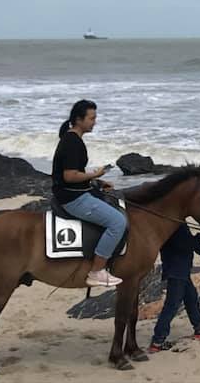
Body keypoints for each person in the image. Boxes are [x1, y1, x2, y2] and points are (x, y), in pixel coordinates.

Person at [51, 99, 126, 287]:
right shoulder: (72, 142)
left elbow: (74, 173)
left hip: (76, 192)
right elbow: (69, 176)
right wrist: (95, 173)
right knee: (118, 222)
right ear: (79, 119)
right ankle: (97, 271)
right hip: (73, 199)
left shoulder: (72, 140)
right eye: (92, 118)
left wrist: (96, 181)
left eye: (95, 117)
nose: (95, 122)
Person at [148, 224, 200, 352]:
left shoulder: (179, 224)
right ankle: (157, 341)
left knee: (191, 299)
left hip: (182, 270)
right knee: (172, 305)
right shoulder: (171, 226)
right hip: (176, 270)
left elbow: (187, 240)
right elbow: (185, 244)